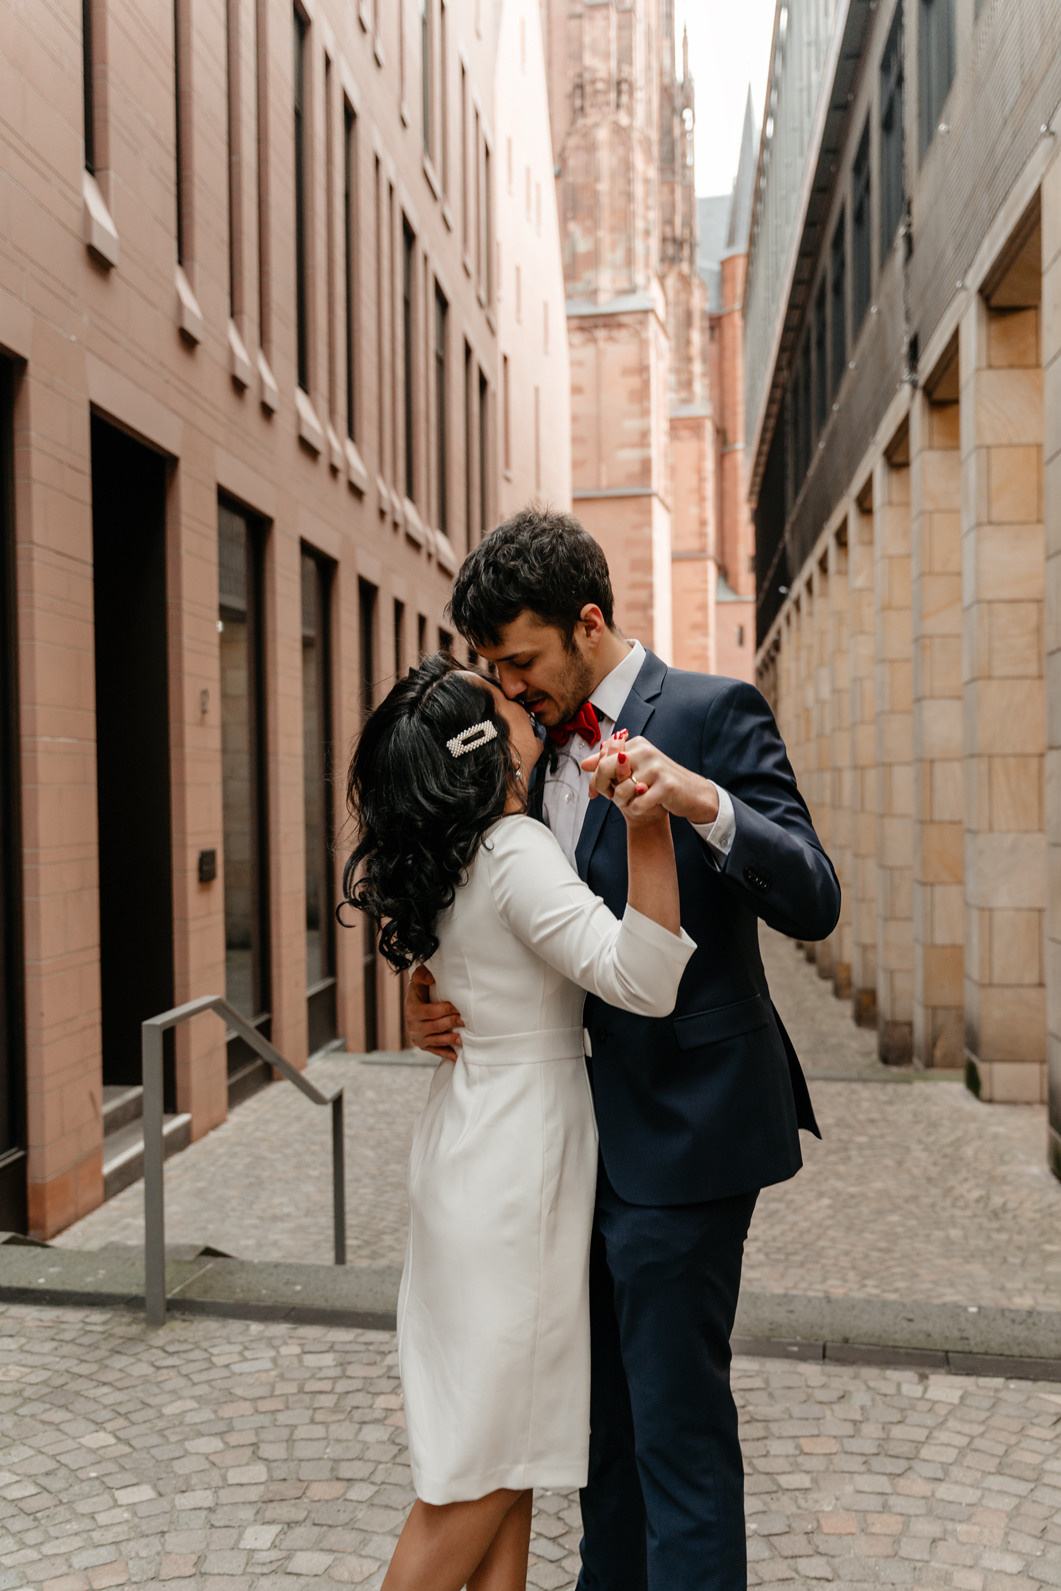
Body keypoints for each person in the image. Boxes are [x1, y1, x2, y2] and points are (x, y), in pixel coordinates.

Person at [406, 508, 841, 1591]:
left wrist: (700, 802)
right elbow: (514, 920)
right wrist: (432, 992)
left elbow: (814, 894)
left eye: (521, 661)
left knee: (673, 1433)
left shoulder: (708, 709)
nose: (508, 687)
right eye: (492, 669)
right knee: (593, 1444)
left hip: (683, 1134)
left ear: (587, 622)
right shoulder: (522, 752)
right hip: (560, 1154)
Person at [340, 651, 695, 1591]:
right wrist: (647, 825)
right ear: (486, 744)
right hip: (517, 1168)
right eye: (501, 697)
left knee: (509, 1455)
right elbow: (643, 980)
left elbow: (464, 972)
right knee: (479, 1475)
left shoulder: (455, 855)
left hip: (469, 1143)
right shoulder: (516, 850)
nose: (518, 696)